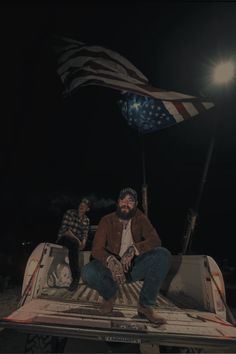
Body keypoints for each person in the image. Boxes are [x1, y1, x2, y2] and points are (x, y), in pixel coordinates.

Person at [82, 187, 171, 324]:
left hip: (132, 268)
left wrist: (133, 250)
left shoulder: (141, 218)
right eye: (122, 200)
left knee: (162, 255)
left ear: (135, 205)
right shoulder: (106, 220)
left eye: (130, 201)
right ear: (118, 203)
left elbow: (155, 241)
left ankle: (145, 306)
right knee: (88, 272)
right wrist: (111, 261)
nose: (125, 203)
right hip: (110, 270)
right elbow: (96, 249)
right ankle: (109, 296)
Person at [57, 198, 91, 291]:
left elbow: (85, 233)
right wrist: (78, 241)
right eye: (81, 204)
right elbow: (65, 230)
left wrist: (83, 242)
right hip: (64, 238)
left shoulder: (86, 220)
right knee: (73, 243)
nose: (82, 206)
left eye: (84, 206)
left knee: (93, 246)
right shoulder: (70, 213)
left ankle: (91, 276)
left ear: (87, 209)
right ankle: (76, 278)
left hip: (77, 242)